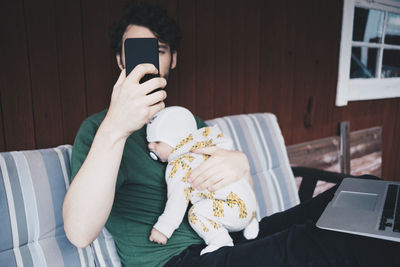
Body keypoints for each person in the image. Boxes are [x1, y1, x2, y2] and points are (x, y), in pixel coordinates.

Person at [63, 2, 400, 266]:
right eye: (136, 49)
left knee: (364, 192)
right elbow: (79, 233)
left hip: (229, 233)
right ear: (121, 59)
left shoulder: (188, 122)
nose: (147, 60)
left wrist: (240, 164)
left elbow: (243, 195)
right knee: (324, 243)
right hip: (178, 259)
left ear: (173, 60)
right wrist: (116, 128)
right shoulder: (98, 129)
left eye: (159, 50)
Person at [146, 106, 259, 255]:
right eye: (149, 141)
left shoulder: (179, 165)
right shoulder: (206, 145)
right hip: (250, 207)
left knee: (196, 213)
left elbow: (177, 199)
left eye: (157, 142)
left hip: (235, 213)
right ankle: (250, 222)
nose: (150, 146)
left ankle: (220, 241)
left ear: (175, 140)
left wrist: (164, 228)